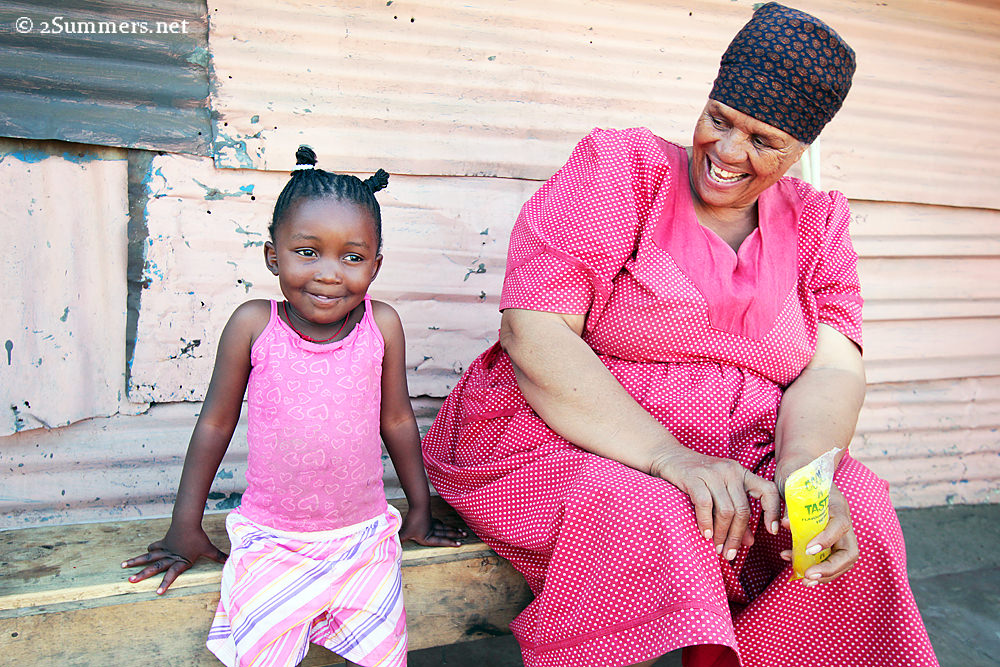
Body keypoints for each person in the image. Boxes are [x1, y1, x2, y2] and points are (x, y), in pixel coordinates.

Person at [421, 4, 939, 667]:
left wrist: (804, 473)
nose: (725, 152)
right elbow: (535, 332)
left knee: (852, 511)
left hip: (744, 450)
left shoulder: (819, 225)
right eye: (719, 119)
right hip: (569, 433)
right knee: (663, 514)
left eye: (762, 140)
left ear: (800, 149)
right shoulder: (622, 170)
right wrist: (673, 457)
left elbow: (833, 369)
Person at [123, 146, 465, 667]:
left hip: (362, 539)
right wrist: (185, 525)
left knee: (382, 655)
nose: (330, 274)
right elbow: (215, 423)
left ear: (376, 264)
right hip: (272, 541)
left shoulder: (383, 325)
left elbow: (396, 420)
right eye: (308, 252)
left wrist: (418, 508)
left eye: (352, 257)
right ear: (272, 256)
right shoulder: (253, 325)